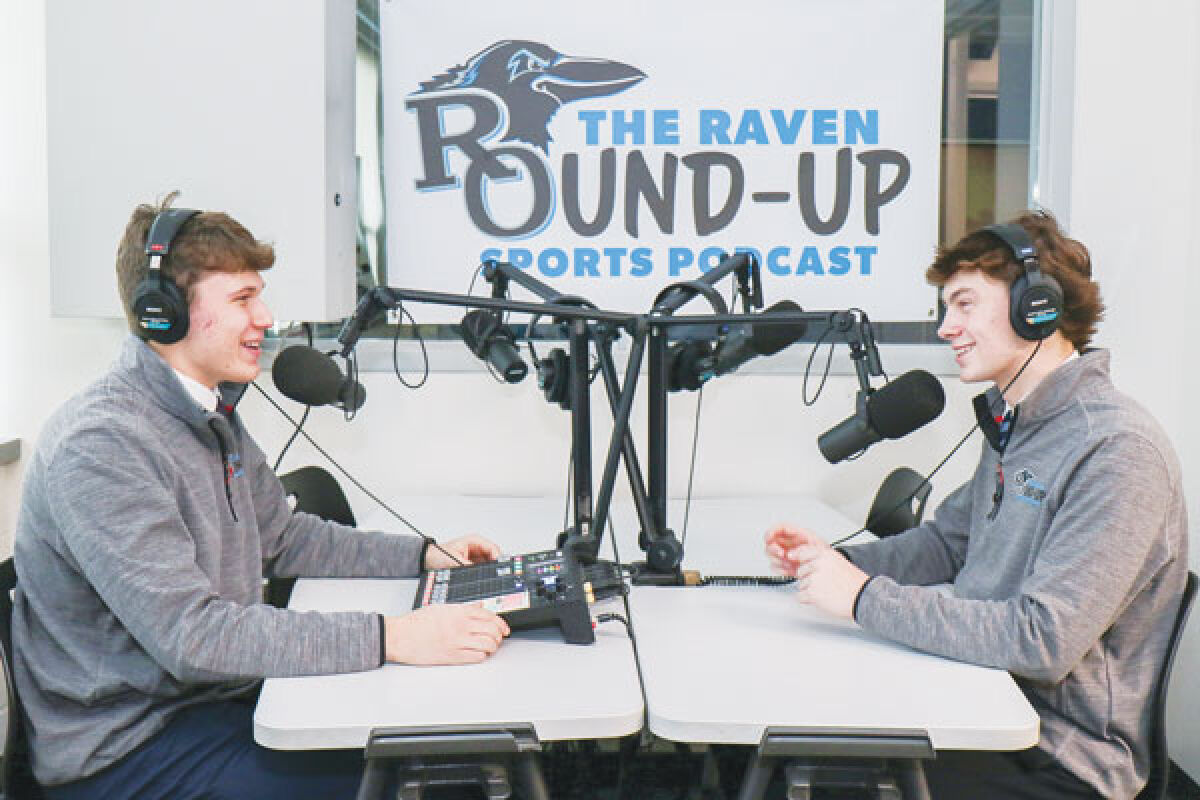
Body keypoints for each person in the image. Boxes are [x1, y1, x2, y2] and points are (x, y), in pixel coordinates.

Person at [12, 194, 511, 799]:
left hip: (207, 706)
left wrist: (425, 555)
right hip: (130, 752)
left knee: (433, 746)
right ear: (163, 312)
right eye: (243, 299)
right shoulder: (102, 446)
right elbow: (194, 639)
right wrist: (394, 636)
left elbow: (284, 536)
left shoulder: (208, 412)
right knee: (413, 778)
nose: (266, 318)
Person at [765, 211, 1187, 799]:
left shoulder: (1117, 450)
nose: (945, 327)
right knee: (798, 744)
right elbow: (947, 543)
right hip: (982, 700)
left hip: (1056, 759)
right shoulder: (1015, 421)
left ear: (1034, 306)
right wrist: (837, 563)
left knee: (824, 770)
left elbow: (1042, 639)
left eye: (964, 305)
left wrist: (861, 598)